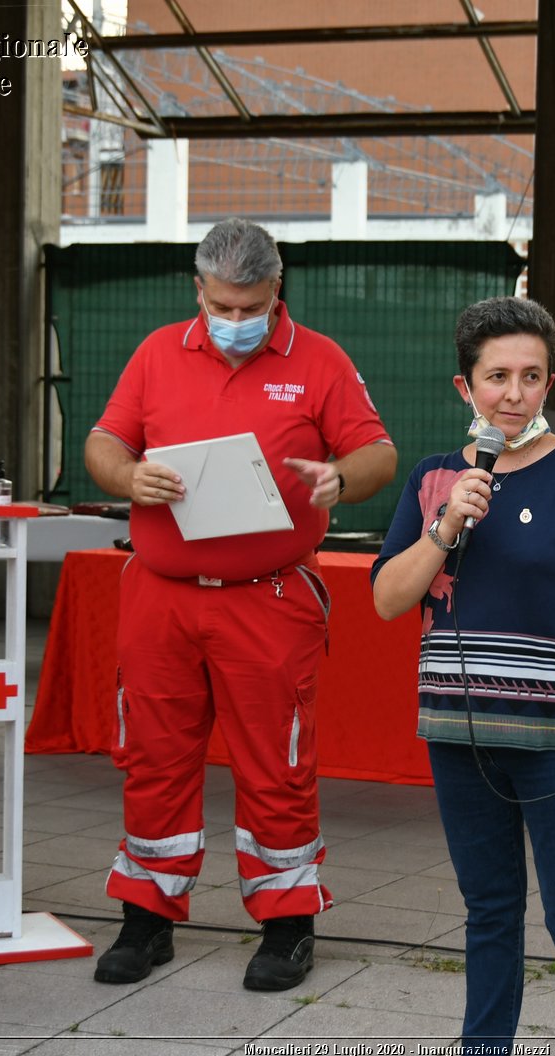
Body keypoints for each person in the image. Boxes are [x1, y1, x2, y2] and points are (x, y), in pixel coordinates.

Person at [84, 218, 396, 992]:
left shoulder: (320, 360)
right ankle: (146, 917)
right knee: (152, 754)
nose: (233, 323)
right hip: (161, 595)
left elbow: (378, 451)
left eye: (248, 306)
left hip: (269, 596)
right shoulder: (158, 352)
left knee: (277, 760)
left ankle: (287, 924)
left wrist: (339, 477)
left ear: (276, 290)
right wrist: (128, 478)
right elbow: (102, 443)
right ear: (198, 289)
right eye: (220, 307)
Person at [371, 297, 555, 1056]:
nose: (514, 393)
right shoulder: (434, 481)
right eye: (497, 377)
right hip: (462, 739)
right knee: (488, 912)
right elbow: (390, 597)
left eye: (530, 376)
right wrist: (445, 524)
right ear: (466, 388)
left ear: (548, 380)